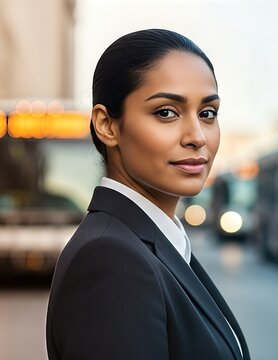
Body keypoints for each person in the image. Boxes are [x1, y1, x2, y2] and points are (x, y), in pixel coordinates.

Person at [46, 29, 250, 360]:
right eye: (166, 112)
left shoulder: (153, 242)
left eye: (207, 113)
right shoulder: (111, 258)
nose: (197, 136)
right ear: (107, 125)